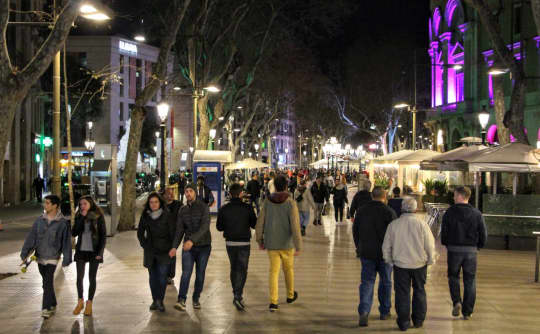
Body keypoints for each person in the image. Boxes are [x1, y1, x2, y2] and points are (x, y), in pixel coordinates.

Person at [382, 197, 436, 331]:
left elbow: (386, 246)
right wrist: (431, 260)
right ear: (416, 209)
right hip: (419, 265)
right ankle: (418, 320)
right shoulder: (422, 224)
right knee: (419, 291)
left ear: (402, 208)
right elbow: (430, 245)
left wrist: (389, 260)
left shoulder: (394, 225)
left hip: (400, 265)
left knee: (402, 293)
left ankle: (403, 322)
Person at [20, 194, 72, 319]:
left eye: (48, 203)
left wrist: (67, 258)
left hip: (53, 257)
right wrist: (24, 253)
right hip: (40, 256)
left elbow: (66, 242)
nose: (45, 205)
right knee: (45, 283)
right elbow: (31, 237)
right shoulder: (39, 221)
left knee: (48, 281)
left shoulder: (63, 223)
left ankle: (46, 308)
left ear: (55, 206)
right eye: (45, 203)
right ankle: (53, 303)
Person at [256, 175, 302, 312]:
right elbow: (295, 225)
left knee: (273, 272)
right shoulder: (290, 202)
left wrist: (260, 240)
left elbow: (260, 222)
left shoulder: (267, 202)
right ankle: (290, 295)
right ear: (286, 186)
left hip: (271, 243)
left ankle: (273, 302)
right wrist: (298, 244)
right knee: (288, 270)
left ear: (274, 186)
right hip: (287, 244)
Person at [441, 186, 487, 320]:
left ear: (460, 196)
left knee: (453, 277)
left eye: (455, 195)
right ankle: (468, 311)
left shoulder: (449, 212)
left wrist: (447, 244)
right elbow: (483, 233)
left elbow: (444, 233)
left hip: (454, 250)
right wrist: (478, 246)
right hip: (471, 251)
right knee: (470, 280)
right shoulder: (477, 213)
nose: (453, 198)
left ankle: (456, 302)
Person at [353, 186, 397, 327]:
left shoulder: (362, 211)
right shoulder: (389, 212)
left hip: (367, 252)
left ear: (372, 196)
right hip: (385, 255)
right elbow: (394, 234)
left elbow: (356, 231)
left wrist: (359, 247)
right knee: (386, 282)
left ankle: (364, 311)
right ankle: (384, 311)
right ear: (385, 197)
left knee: (367, 282)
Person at [216, 183, 257, 311]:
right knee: (243, 269)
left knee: (234, 268)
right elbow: (254, 225)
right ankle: (238, 295)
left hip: (230, 243)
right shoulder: (248, 207)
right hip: (244, 243)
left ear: (230, 194)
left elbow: (219, 227)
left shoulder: (224, 209)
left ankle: (236, 294)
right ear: (241, 194)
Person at [137, 192, 179, 312]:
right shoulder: (145, 215)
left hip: (164, 251)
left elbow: (173, 233)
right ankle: (155, 300)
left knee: (162, 278)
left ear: (160, 203)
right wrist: (144, 245)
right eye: (151, 202)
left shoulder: (167, 215)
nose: (153, 204)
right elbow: (140, 233)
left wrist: (173, 248)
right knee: (152, 277)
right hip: (150, 251)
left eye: (156, 202)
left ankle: (159, 300)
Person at [174, 183, 212, 311]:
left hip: (204, 246)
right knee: (186, 273)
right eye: (186, 191)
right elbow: (179, 230)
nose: (188, 193)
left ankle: (196, 298)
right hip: (188, 247)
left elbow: (205, 227)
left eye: (190, 191)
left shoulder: (203, 207)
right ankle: (181, 299)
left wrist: (192, 240)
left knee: (200, 274)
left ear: (195, 192)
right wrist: (174, 247)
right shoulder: (182, 210)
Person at [71, 195, 107, 317]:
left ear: (91, 204)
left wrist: (100, 253)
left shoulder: (98, 216)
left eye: (84, 204)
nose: (82, 206)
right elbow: (74, 232)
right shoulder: (79, 215)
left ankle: (89, 303)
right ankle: (80, 301)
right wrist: (81, 217)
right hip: (81, 250)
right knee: (79, 277)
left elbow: (103, 236)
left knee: (92, 278)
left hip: (94, 251)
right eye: (80, 204)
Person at [164, 187, 182, 285]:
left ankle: (170, 275)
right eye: (168, 193)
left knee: (171, 254)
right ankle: (164, 274)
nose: (170, 195)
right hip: (163, 235)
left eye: (172, 194)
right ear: (164, 195)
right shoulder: (161, 205)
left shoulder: (178, 205)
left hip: (174, 235)